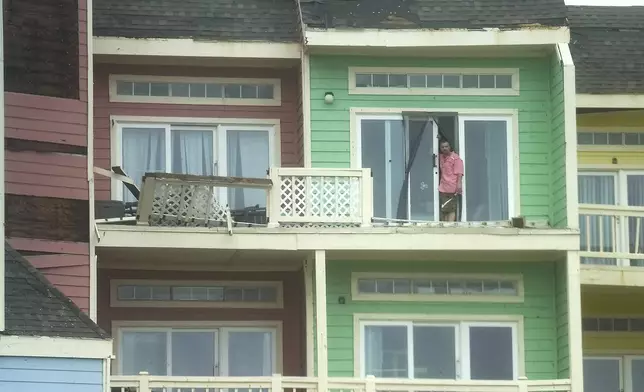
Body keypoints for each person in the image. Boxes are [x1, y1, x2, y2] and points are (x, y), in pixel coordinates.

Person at [438, 139, 464, 222]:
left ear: (450, 147)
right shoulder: (441, 157)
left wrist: (459, 185)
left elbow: (459, 173)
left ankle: (450, 226)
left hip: (452, 187)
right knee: (444, 209)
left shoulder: (455, 158)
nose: (445, 148)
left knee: (451, 209)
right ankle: (445, 226)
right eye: (442, 147)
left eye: (446, 146)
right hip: (443, 187)